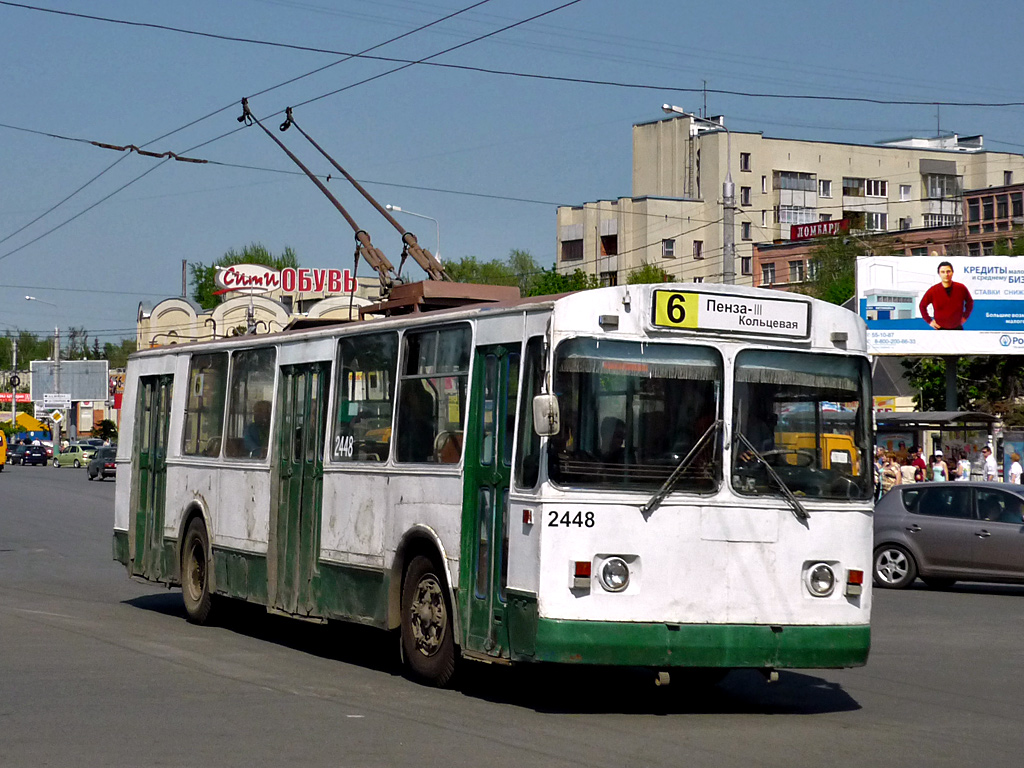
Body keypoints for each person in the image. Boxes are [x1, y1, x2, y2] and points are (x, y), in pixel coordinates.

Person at [919, 261, 973, 330]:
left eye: (948, 271)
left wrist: (965, 317)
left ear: (952, 272)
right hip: (940, 329)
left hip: (957, 328)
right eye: (943, 272)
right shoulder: (933, 290)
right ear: (939, 274)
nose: (946, 274)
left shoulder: (961, 288)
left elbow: (970, 302)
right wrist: (929, 321)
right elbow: (922, 305)